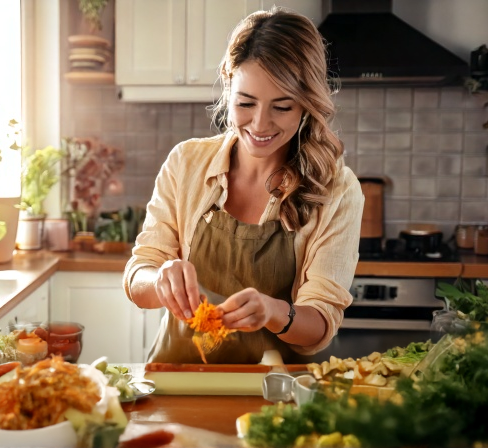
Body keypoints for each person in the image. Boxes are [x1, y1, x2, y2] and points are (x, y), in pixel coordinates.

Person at [122, 6, 363, 364]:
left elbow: (321, 323)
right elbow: (138, 276)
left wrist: (272, 312)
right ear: (228, 85)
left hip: (274, 392)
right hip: (178, 379)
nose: (260, 124)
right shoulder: (185, 163)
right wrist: (158, 279)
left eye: (282, 107)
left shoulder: (336, 189)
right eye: (245, 103)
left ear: (307, 105)